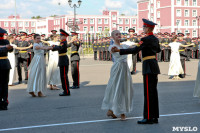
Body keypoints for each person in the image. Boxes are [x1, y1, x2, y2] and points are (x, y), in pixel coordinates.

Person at [112, 19, 160, 124]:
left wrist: (119, 50)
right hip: (154, 65)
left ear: (148, 28)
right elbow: (158, 50)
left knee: (148, 93)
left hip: (148, 66)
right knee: (153, 92)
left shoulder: (145, 39)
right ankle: (155, 117)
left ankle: (147, 117)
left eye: (144, 27)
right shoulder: (155, 39)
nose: (143, 29)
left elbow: (134, 51)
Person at [101, 30, 134, 121]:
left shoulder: (124, 45)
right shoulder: (112, 46)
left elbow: (132, 48)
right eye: (116, 34)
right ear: (113, 37)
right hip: (117, 69)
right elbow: (113, 50)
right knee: (117, 88)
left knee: (125, 89)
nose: (119, 35)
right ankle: (121, 112)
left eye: (119, 34)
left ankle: (112, 110)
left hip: (125, 69)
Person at [50, 29, 71, 96]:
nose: (60, 37)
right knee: (63, 76)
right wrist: (54, 47)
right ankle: (65, 90)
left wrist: (54, 47)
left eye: (61, 36)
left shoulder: (63, 42)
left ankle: (66, 91)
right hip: (62, 59)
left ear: (64, 36)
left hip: (63, 60)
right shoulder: (62, 42)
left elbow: (60, 48)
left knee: (64, 76)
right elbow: (59, 47)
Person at [0, 28, 13, 110]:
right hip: (5, 64)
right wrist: (6, 47)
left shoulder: (6, 42)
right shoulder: (6, 42)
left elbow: (11, 50)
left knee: (4, 84)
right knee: (4, 84)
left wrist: (9, 47)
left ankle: (4, 102)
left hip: (5, 64)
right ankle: (4, 102)